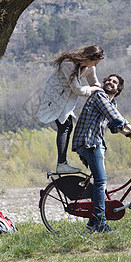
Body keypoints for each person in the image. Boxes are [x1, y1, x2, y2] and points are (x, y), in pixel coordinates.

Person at [71, 74, 131, 232]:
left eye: (114, 82)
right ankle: (101, 223)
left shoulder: (112, 102)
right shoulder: (99, 96)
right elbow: (114, 116)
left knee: (100, 183)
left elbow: (115, 126)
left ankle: (92, 222)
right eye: (109, 80)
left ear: (118, 89)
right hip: (89, 142)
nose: (110, 82)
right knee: (101, 181)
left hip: (95, 142)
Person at [37, 45, 105, 174]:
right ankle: (61, 164)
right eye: (95, 62)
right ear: (89, 58)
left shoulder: (89, 67)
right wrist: (95, 89)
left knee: (68, 126)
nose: (95, 66)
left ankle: (63, 163)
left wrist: (104, 95)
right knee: (64, 127)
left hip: (67, 100)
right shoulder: (68, 64)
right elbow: (78, 89)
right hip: (56, 98)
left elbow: (95, 84)